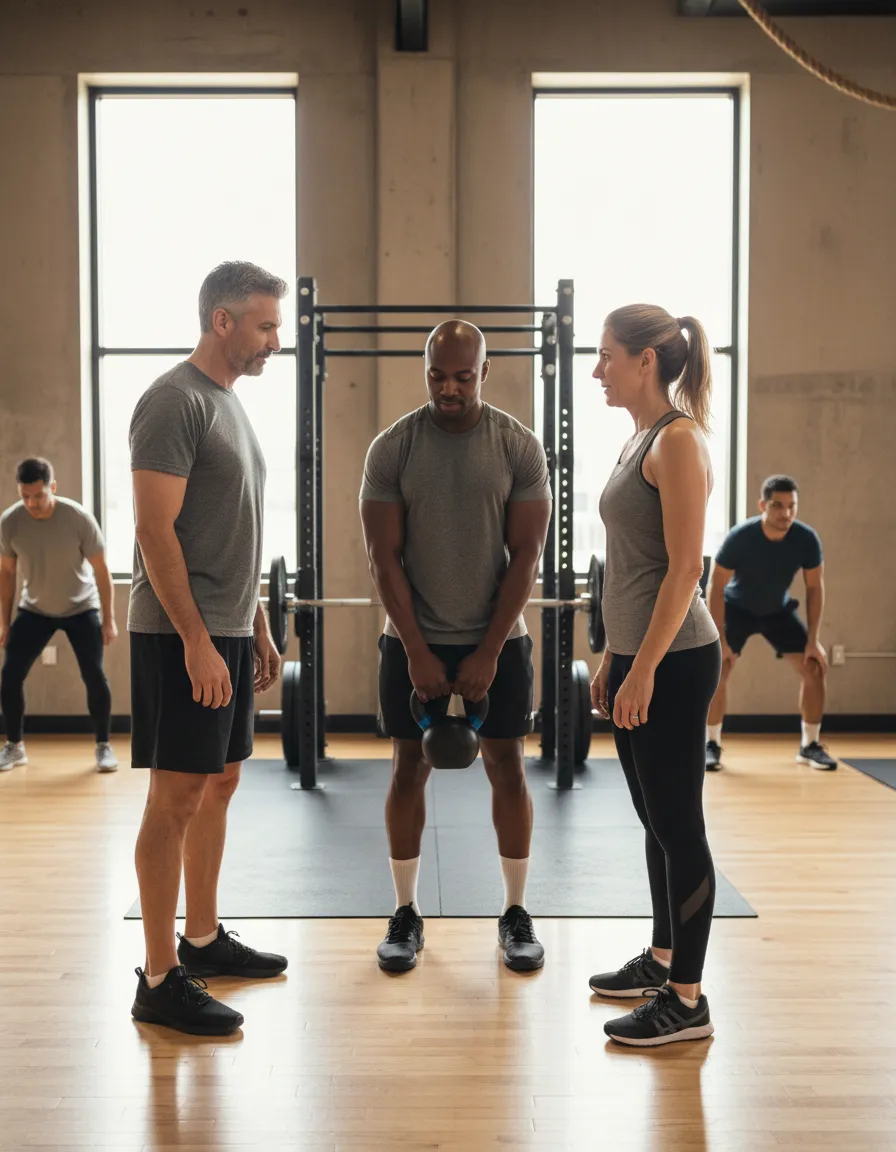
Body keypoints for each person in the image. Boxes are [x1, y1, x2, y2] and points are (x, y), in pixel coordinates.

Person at [359, 321, 552, 974]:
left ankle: (516, 912)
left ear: (484, 372)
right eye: (437, 376)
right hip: (411, 635)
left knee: (507, 766)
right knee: (407, 768)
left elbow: (527, 556)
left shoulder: (517, 445)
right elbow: (382, 558)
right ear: (426, 370)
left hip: (497, 635)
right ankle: (406, 912)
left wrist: (491, 651)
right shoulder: (393, 448)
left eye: (463, 377)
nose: (449, 388)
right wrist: (415, 649)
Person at [128, 262, 289, 1037]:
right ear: (222, 321)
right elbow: (155, 533)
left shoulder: (227, 405)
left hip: (224, 627)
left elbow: (228, 530)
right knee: (175, 798)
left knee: (220, 783)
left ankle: (202, 938)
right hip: (178, 633)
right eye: (264, 326)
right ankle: (159, 978)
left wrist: (251, 624)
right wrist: (196, 638)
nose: (274, 342)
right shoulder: (173, 401)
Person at [588, 306, 721, 1047]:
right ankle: (664, 956)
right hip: (643, 656)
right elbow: (630, 572)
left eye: (607, 356)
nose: (598, 369)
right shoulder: (637, 439)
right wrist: (614, 653)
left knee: (679, 826)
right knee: (655, 822)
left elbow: (683, 572)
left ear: (646, 360)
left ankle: (688, 1000)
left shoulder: (676, 443)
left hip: (674, 660)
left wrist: (642, 669)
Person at [705, 476, 836, 771]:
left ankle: (810, 745)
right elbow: (716, 584)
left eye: (792, 506)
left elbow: (815, 587)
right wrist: (720, 641)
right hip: (736, 609)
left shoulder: (805, 539)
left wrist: (813, 640)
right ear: (762, 505)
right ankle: (711, 744)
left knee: (814, 668)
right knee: (717, 668)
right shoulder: (741, 537)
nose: (786, 513)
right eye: (778, 506)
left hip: (777, 611)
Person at [0, 458, 118, 772]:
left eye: (37, 496)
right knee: (10, 675)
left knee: (94, 675)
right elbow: (7, 574)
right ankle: (15, 746)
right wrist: (4, 622)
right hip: (35, 608)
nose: (31, 503)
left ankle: (103, 746)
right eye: (24, 496)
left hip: (81, 607)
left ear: (52, 487)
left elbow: (102, 572)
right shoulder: (10, 522)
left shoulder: (77, 518)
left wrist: (109, 619)